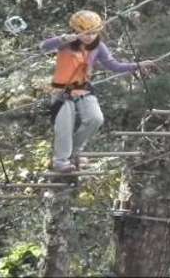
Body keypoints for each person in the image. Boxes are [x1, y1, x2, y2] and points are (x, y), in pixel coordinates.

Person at [41, 10, 154, 173]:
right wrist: (62, 39)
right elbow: (44, 47)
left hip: (84, 89)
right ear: (76, 31)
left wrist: (137, 65)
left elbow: (113, 65)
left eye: (93, 33)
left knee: (95, 119)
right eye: (85, 33)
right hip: (61, 91)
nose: (89, 37)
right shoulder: (65, 43)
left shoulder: (98, 46)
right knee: (64, 127)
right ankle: (61, 161)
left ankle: (75, 152)